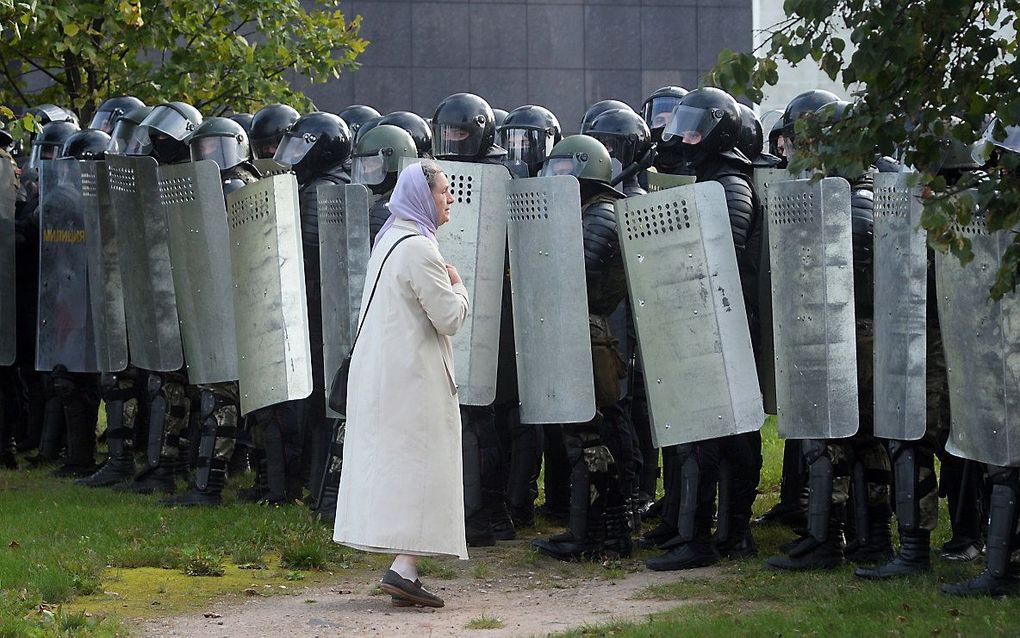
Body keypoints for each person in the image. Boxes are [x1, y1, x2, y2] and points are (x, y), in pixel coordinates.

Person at [334, 161, 469, 609]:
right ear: (422, 197)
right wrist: (460, 286)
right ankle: (404, 568)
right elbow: (448, 317)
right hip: (413, 379)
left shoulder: (389, 238)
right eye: (443, 192)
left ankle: (404, 565)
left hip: (386, 375)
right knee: (420, 468)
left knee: (404, 468)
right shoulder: (420, 249)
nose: (449, 199)